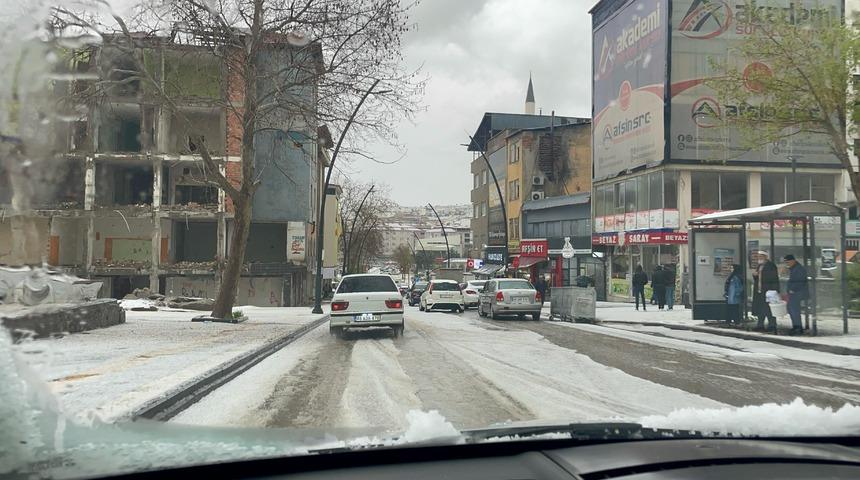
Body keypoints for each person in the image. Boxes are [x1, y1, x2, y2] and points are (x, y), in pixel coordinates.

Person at [751, 251, 780, 331]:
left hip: (768, 291)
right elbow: (758, 278)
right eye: (758, 257)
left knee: (769, 309)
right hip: (760, 291)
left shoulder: (771, 266)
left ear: (765, 257)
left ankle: (772, 325)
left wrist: (774, 290)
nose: (759, 258)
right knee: (760, 308)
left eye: (761, 256)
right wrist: (755, 276)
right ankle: (760, 325)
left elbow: (774, 278)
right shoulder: (759, 266)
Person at [784, 254, 809, 335]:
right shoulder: (794, 268)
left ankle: (798, 327)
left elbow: (800, 281)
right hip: (794, 292)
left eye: (788, 262)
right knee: (791, 309)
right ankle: (796, 326)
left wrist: (792, 289)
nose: (787, 264)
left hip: (797, 292)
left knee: (794, 310)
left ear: (793, 261)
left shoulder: (799, 269)